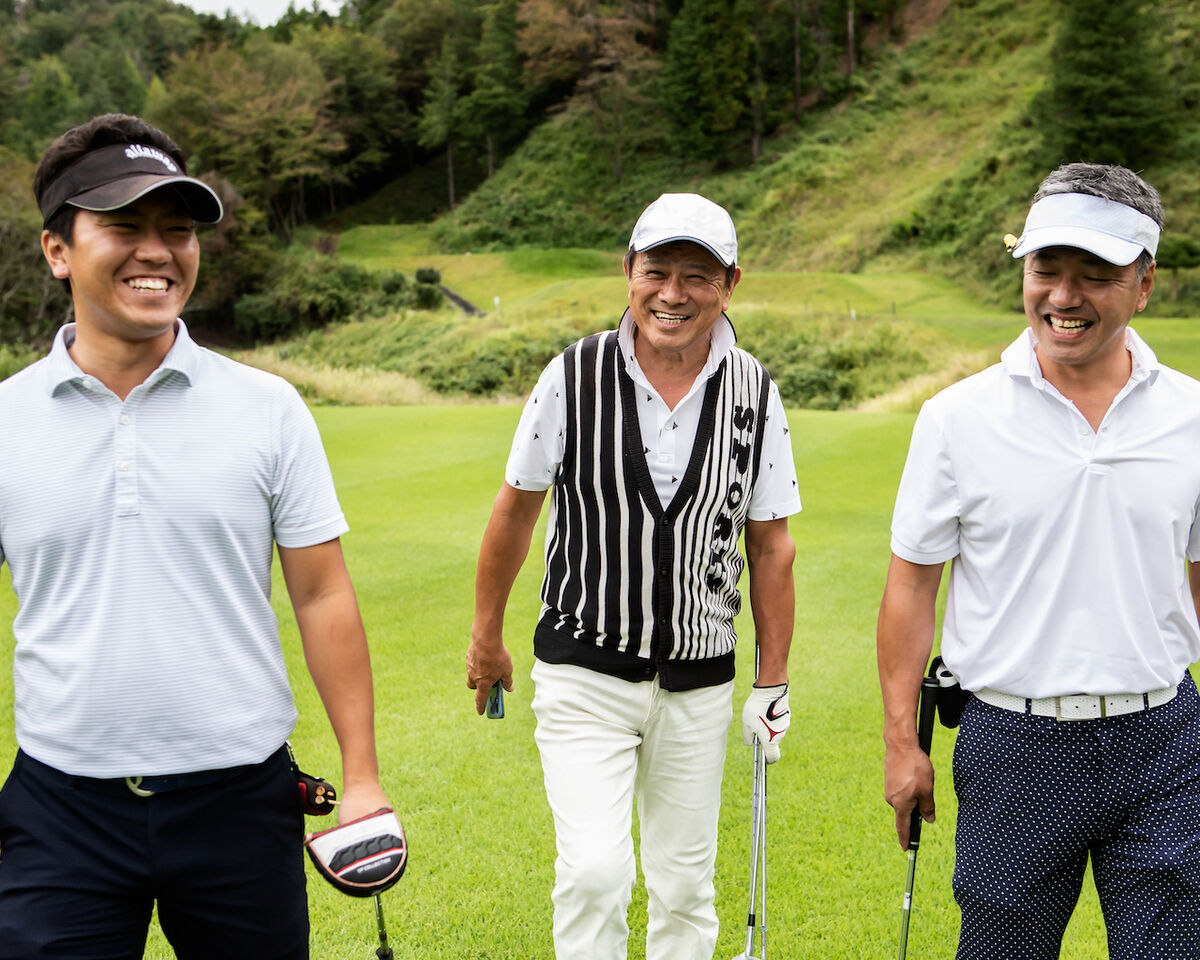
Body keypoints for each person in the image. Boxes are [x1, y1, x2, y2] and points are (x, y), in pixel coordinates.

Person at [0, 113, 391, 958]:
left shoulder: (268, 409)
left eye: (176, 230)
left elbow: (322, 594)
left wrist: (361, 779)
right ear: (57, 250)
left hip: (239, 805)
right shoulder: (4, 422)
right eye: (124, 227)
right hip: (61, 808)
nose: (158, 251)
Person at [465, 193, 801, 960]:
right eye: (657, 272)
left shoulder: (754, 390)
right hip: (584, 671)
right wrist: (487, 638)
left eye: (696, 276)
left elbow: (770, 543)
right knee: (594, 873)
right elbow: (516, 512)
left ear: (731, 284)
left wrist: (771, 680)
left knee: (685, 887)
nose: (673, 294)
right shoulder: (572, 375)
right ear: (627, 273)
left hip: (700, 682)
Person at [878, 162, 1200, 959]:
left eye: (1095, 274)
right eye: (1045, 270)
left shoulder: (1192, 415)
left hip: (1165, 736)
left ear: (1144, 284)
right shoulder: (956, 418)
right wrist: (899, 743)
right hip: (1014, 744)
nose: (1063, 296)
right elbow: (912, 587)